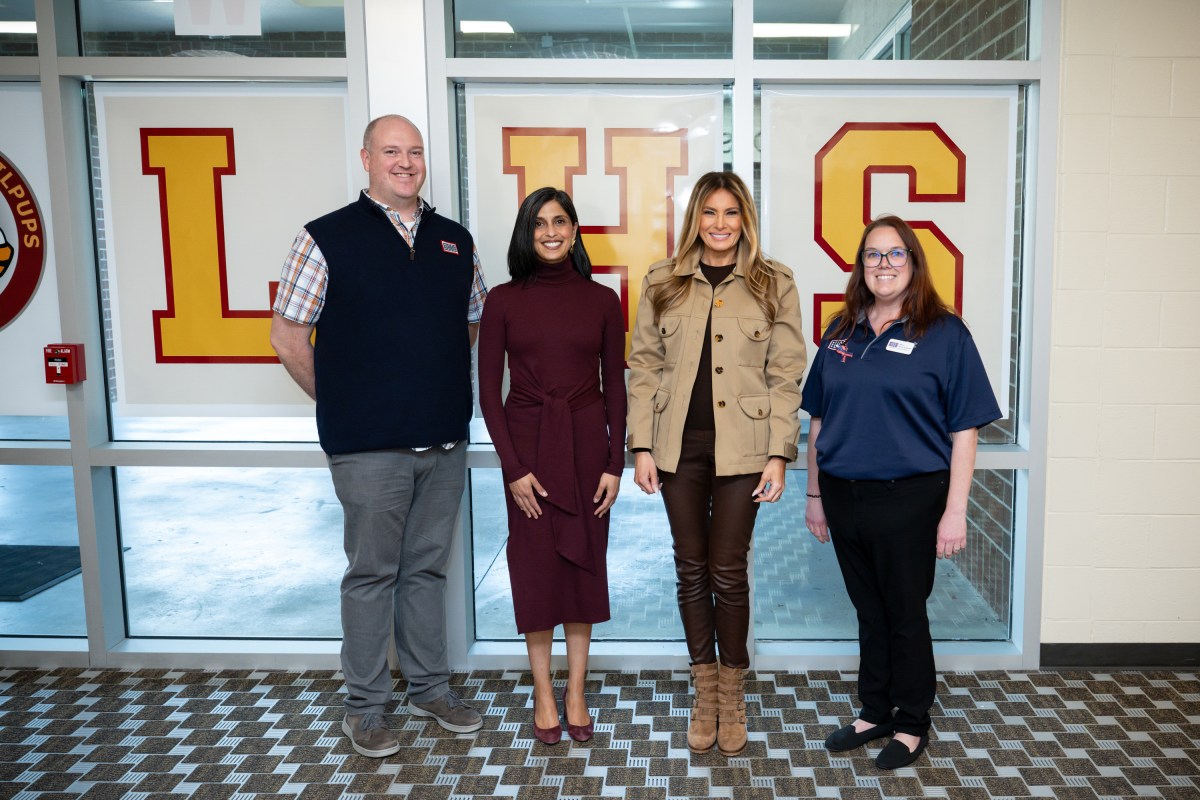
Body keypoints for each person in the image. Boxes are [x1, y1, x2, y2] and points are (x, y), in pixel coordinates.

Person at [270, 114, 488, 758]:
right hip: (368, 448)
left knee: (425, 571)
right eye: (391, 151)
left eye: (415, 151)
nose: (405, 162)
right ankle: (366, 706)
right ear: (366, 158)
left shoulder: (454, 240)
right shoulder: (325, 237)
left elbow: (468, 326)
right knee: (371, 575)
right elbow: (287, 337)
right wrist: (346, 401)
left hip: (443, 443)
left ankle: (430, 688)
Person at [801, 215, 1001, 770]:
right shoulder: (841, 331)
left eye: (894, 255)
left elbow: (966, 429)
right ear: (860, 265)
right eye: (872, 255)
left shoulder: (944, 333)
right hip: (845, 494)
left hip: (911, 498)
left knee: (905, 612)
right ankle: (875, 710)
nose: (883, 265)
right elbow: (818, 418)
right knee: (869, 608)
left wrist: (955, 512)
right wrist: (815, 495)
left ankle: (913, 721)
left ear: (913, 263)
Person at [627, 171, 806, 756]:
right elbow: (644, 368)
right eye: (710, 213)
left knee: (728, 571)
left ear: (745, 219)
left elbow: (785, 375)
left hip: (746, 449)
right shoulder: (663, 281)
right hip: (678, 447)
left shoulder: (774, 283)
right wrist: (642, 446)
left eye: (731, 213)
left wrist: (779, 453)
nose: (720, 224)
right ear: (695, 219)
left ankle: (732, 694)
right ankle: (704, 691)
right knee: (690, 568)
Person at [478, 187, 626, 745]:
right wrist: (512, 468)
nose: (550, 231)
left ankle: (576, 691)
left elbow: (617, 386)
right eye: (538, 223)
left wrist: (616, 462)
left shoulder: (603, 300)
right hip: (529, 446)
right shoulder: (503, 301)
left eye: (559, 220)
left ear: (574, 228)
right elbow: (489, 394)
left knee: (584, 567)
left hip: (588, 448)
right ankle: (543, 691)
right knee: (537, 570)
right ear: (526, 232)